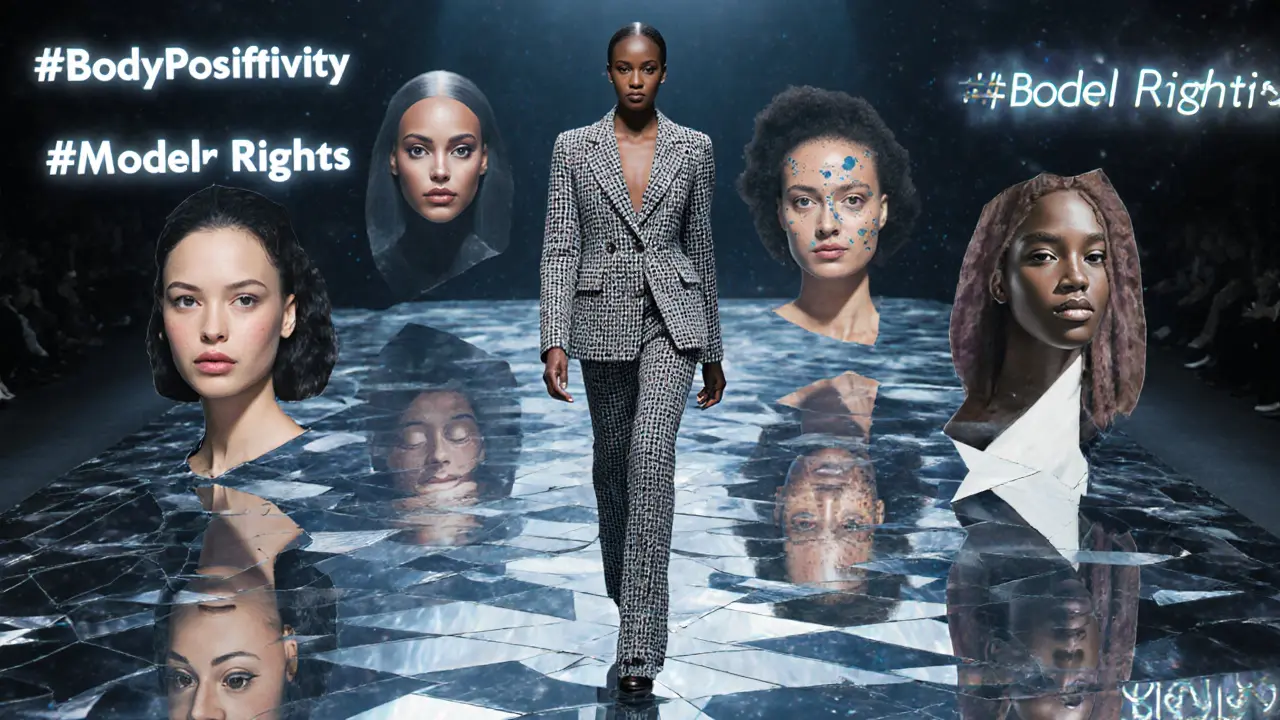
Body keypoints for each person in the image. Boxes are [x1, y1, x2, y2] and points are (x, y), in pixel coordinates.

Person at [537, 21, 726, 699]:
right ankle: (629, 586)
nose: (637, 80)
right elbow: (561, 243)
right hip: (599, 320)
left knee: (651, 456)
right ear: (609, 72)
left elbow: (700, 248)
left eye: (648, 68)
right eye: (624, 68)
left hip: (672, 320)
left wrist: (714, 349)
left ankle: (641, 644)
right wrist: (553, 334)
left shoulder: (694, 150)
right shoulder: (574, 149)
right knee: (611, 464)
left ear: (665, 73)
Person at [945, 170, 1146, 552]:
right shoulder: (977, 432)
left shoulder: (1093, 429)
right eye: (1044, 256)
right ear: (998, 278)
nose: (1076, 278)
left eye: (1094, 257)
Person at [146, 185, 338, 479]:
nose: (213, 330)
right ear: (162, 315)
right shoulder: (158, 483)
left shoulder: (327, 481)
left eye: (245, 300)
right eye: (187, 301)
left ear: (289, 315)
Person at [737, 86, 920, 345]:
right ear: (780, 213)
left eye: (852, 200)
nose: (827, 225)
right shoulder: (742, 346)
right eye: (804, 202)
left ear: (883, 210)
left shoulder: (938, 337)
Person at [366, 71, 515, 300]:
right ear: (393, 158)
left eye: (461, 151)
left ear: (484, 159)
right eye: (417, 151)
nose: (440, 172)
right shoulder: (374, 274)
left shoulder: (504, 274)